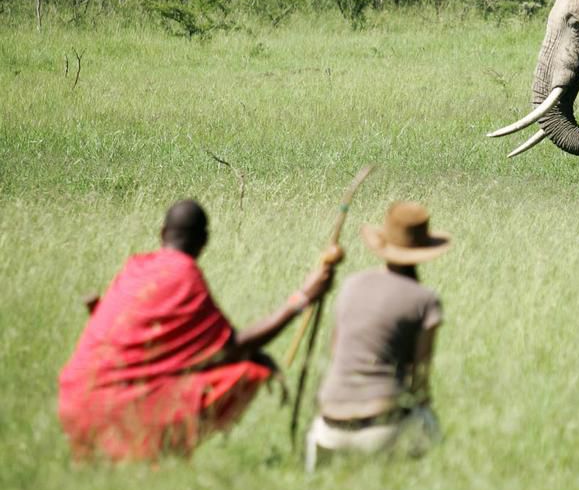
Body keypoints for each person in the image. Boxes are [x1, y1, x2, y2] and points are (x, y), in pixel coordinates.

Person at [58, 199, 342, 462]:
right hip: (112, 409)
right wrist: (303, 298)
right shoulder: (185, 275)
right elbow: (231, 348)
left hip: (73, 399)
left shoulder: (135, 267)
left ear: (162, 233)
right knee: (248, 369)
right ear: (204, 241)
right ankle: (163, 451)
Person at [306, 201, 448, 470]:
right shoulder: (425, 300)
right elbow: (420, 384)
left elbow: (336, 355)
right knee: (432, 432)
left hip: (328, 429)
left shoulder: (350, 286)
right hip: (383, 430)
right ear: (425, 250)